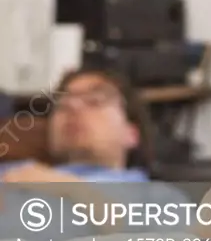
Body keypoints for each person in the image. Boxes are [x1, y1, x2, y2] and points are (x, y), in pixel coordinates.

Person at [0, 68, 154, 184]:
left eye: (94, 101)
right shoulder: (17, 171)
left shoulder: (153, 197)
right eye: (61, 105)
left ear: (132, 133)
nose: (72, 106)